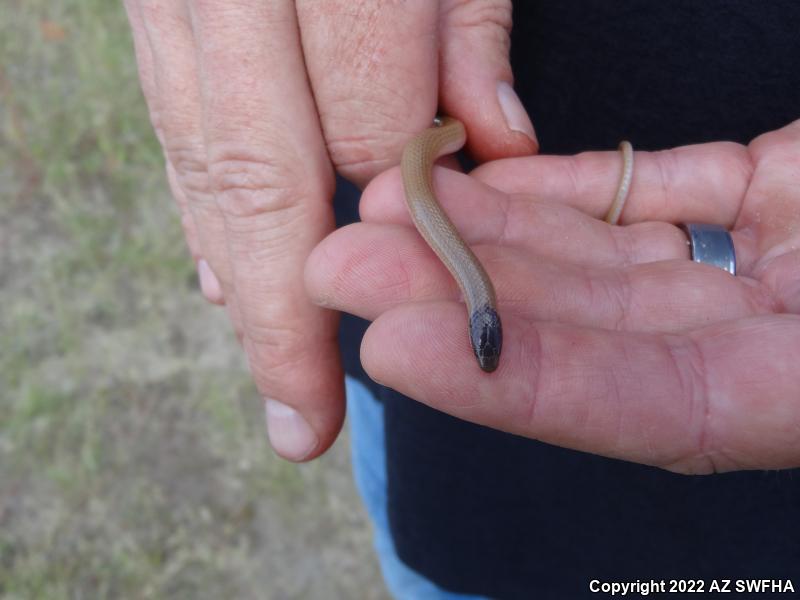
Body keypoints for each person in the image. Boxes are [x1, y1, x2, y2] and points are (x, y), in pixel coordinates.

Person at [125, 1, 800, 597]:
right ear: (487, 319)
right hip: (434, 454)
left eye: (488, 339)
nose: (488, 346)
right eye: (488, 337)